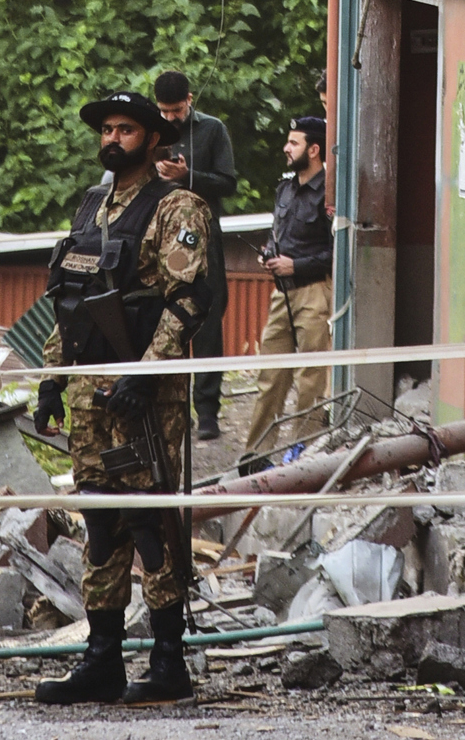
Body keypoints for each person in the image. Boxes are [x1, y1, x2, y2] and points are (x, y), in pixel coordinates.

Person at [31, 89, 213, 707]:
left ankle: (168, 663)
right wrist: (51, 381)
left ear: (152, 138)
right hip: (90, 393)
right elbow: (71, 305)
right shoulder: (90, 208)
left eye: (126, 129)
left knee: (149, 518)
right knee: (102, 522)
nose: (113, 138)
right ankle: (102, 660)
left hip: (145, 396)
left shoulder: (176, 206)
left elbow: (189, 300)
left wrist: (145, 374)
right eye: (106, 129)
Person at [241, 116, 335, 462]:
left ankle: (302, 456)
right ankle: (256, 456)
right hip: (281, 294)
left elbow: (338, 251)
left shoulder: (329, 193)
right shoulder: (284, 189)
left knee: (312, 381)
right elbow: (276, 233)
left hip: (314, 292)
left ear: (313, 149)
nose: (286, 148)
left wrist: (296, 265)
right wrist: (269, 253)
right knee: (271, 376)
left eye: (294, 143)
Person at [151, 69, 237, 440]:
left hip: (203, 240)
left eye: (176, 110)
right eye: (164, 111)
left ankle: (207, 413)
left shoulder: (212, 130)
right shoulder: (149, 131)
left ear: (190, 99)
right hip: (160, 240)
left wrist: (188, 176)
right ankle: (168, 409)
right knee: (162, 322)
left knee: (207, 322)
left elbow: (228, 183)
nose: (171, 117)